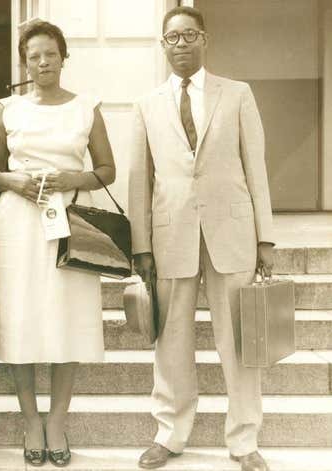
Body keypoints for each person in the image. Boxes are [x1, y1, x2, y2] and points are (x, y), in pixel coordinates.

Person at [128, 6, 274, 471]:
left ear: (204, 39)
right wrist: (141, 246)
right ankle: (169, 434)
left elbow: (257, 168)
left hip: (231, 234)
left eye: (189, 35)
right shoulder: (146, 105)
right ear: (163, 45)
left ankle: (245, 440)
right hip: (172, 239)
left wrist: (265, 239)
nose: (181, 45)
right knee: (170, 343)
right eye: (172, 38)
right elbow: (139, 182)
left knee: (240, 343)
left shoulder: (237, 94)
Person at [0, 21, 115, 468]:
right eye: (34, 56)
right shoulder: (8, 109)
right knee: (20, 317)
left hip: (71, 218)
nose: (43, 62)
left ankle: (57, 419)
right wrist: (15, 182)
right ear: (25, 61)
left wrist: (71, 178)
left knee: (70, 317)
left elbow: (107, 169)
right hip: (19, 219)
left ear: (64, 57)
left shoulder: (86, 108)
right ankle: (30, 421)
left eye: (51, 54)